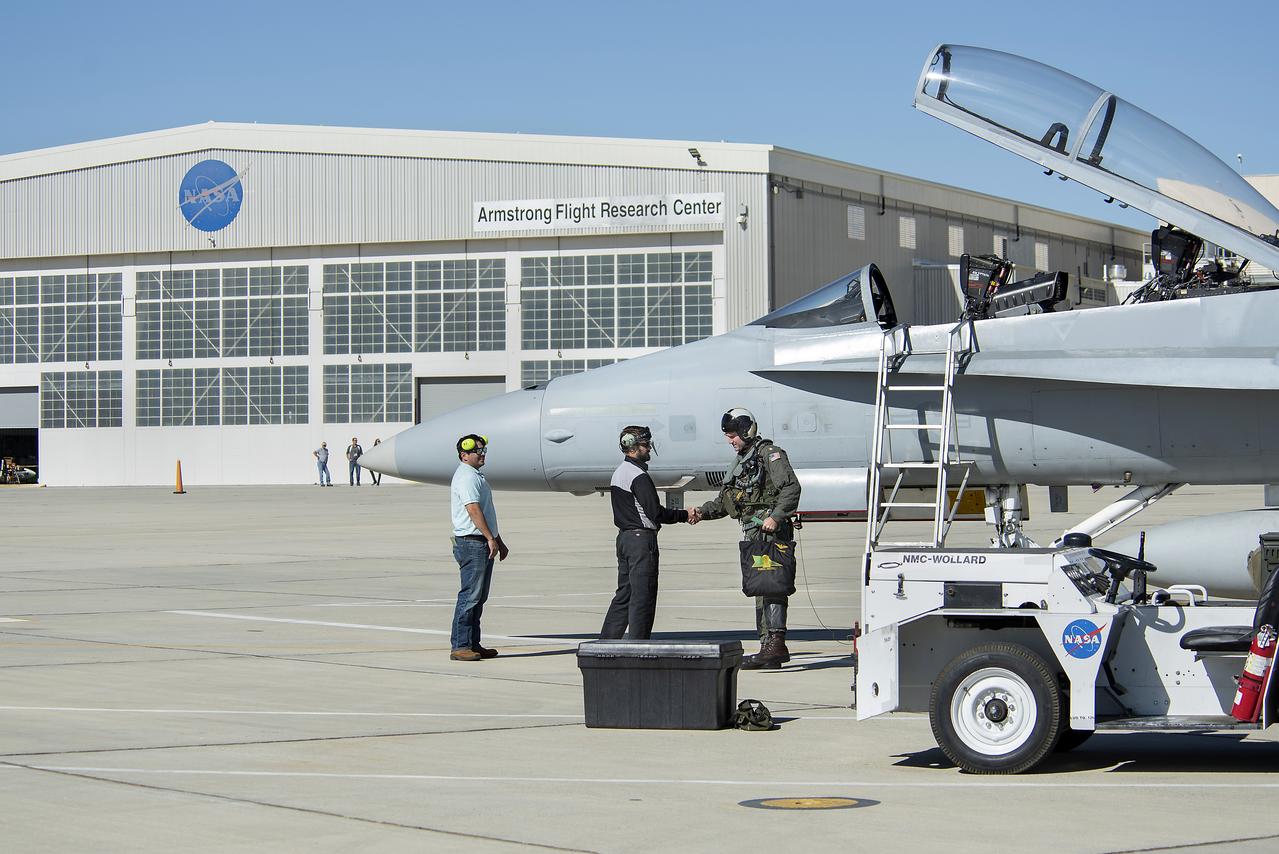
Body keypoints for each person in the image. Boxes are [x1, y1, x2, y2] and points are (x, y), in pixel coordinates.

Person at [696, 408, 801, 669]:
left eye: (732, 435)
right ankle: (768, 646)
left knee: (772, 585)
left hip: (771, 532)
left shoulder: (769, 454)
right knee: (760, 588)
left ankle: (775, 644)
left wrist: (775, 517)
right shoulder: (743, 461)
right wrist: (700, 512)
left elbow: (791, 487)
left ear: (746, 431)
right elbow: (726, 501)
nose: (730, 441)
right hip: (755, 533)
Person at [600, 425, 696, 641]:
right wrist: (684, 514)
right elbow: (655, 513)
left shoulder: (620, 473)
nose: (648, 448)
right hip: (641, 542)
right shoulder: (639, 476)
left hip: (624, 540)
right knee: (643, 596)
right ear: (632, 447)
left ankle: (605, 643)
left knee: (624, 595)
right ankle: (639, 645)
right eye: (645, 444)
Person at [449, 433, 509, 661]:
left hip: (481, 540)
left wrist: (497, 540)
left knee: (479, 596)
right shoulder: (466, 477)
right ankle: (460, 645)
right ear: (464, 455)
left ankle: (473, 643)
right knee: (470, 596)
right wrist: (489, 538)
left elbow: (486, 512)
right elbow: (473, 509)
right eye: (477, 451)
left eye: (483, 450)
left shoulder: (475, 475)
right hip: (472, 543)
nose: (482, 454)